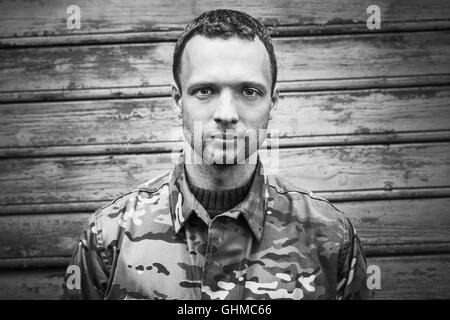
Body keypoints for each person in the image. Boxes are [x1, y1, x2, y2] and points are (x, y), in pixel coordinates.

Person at [62, 9, 372, 300]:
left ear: (272, 103)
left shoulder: (332, 237)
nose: (226, 113)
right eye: (205, 91)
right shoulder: (109, 236)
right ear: (177, 100)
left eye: (249, 91)